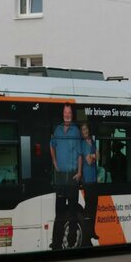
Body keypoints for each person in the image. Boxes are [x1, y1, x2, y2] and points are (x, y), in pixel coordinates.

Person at [49, 103, 82, 248]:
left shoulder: (76, 131)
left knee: (73, 213)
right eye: (65, 113)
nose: (67, 115)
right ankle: (56, 243)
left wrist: (79, 172)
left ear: (72, 115)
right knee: (59, 213)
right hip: (61, 177)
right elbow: (52, 145)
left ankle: (72, 241)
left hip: (72, 177)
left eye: (69, 113)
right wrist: (55, 162)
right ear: (63, 114)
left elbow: (80, 154)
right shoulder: (57, 129)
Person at [79, 122, 99, 242]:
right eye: (83, 129)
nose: (85, 131)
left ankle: (92, 231)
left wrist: (93, 156)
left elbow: (98, 156)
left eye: (86, 128)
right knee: (89, 208)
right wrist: (93, 156)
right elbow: (89, 161)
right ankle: (87, 233)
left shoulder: (92, 141)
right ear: (81, 132)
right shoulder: (83, 144)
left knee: (94, 207)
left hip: (94, 180)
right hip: (87, 180)